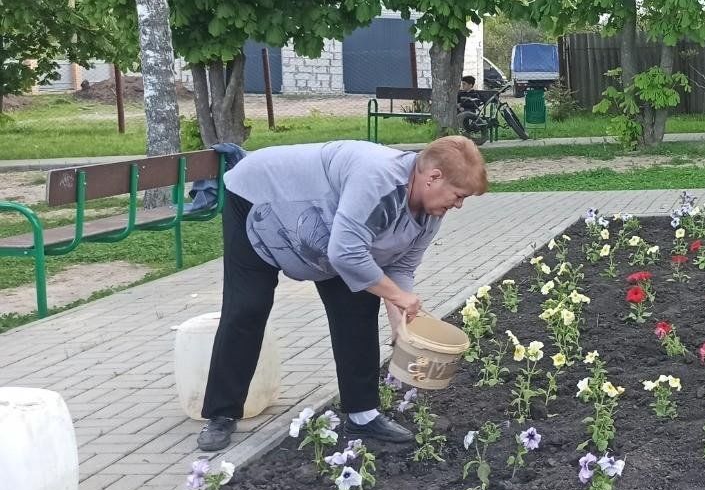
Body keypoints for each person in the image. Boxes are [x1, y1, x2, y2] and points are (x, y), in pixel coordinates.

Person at [196, 137, 489, 451]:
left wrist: (403, 323)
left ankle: (362, 414)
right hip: (259, 198)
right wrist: (398, 297)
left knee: (359, 303)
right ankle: (222, 413)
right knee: (248, 306)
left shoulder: (430, 214)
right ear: (433, 178)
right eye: (458, 196)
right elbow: (346, 255)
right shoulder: (377, 177)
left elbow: (399, 269)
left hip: (326, 228)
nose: (458, 205)